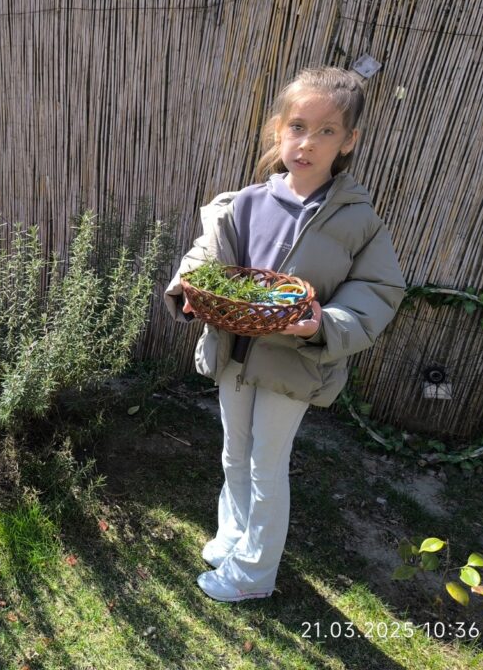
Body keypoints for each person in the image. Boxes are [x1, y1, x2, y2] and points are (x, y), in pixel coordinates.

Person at [164, 66, 406, 602]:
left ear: (349, 142)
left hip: (294, 363)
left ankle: (254, 574)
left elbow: (378, 290)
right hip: (234, 349)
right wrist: (189, 284)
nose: (308, 143)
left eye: (326, 131)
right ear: (280, 130)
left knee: (266, 464)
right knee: (233, 453)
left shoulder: (355, 220)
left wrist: (326, 324)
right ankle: (233, 537)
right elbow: (210, 257)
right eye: (298, 126)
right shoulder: (246, 201)